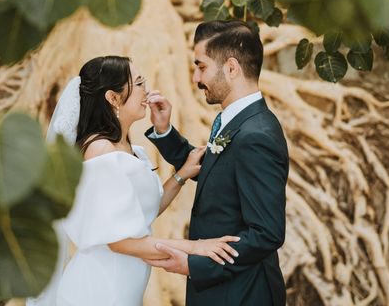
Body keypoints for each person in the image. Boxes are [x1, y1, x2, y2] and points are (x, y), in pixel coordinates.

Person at [27, 56, 239, 306]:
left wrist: (181, 174)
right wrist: (195, 247)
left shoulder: (130, 149)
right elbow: (120, 242)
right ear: (113, 98)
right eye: (138, 83)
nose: (146, 91)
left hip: (121, 289)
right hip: (99, 291)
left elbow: (142, 213)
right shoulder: (101, 151)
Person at [144, 20, 289, 306]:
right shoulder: (235, 120)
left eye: (201, 67)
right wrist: (165, 132)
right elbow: (215, 172)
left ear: (231, 68)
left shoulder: (255, 135)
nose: (196, 79)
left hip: (242, 293)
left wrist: (195, 266)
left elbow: (266, 233)